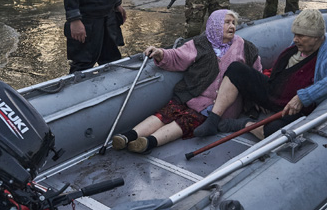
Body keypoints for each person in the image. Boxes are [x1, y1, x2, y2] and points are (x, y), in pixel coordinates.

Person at [111, 10, 262, 153]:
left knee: (187, 120)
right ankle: (128, 136)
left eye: (233, 23)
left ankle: (149, 142)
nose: (232, 26)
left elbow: (256, 75)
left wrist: (258, 102)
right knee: (166, 112)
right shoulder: (200, 43)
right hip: (192, 96)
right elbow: (177, 57)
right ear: (215, 25)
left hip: (221, 108)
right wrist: (160, 53)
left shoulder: (246, 47)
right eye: (227, 22)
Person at [193, 9, 327, 138]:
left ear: (316, 37)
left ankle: (243, 124)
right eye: (294, 34)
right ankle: (213, 120)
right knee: (236, 68)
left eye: (300, 36)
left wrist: (303, 97)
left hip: (295, 106)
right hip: (275, 91)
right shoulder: (300, 44)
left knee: (274, 132)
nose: (295, 39)